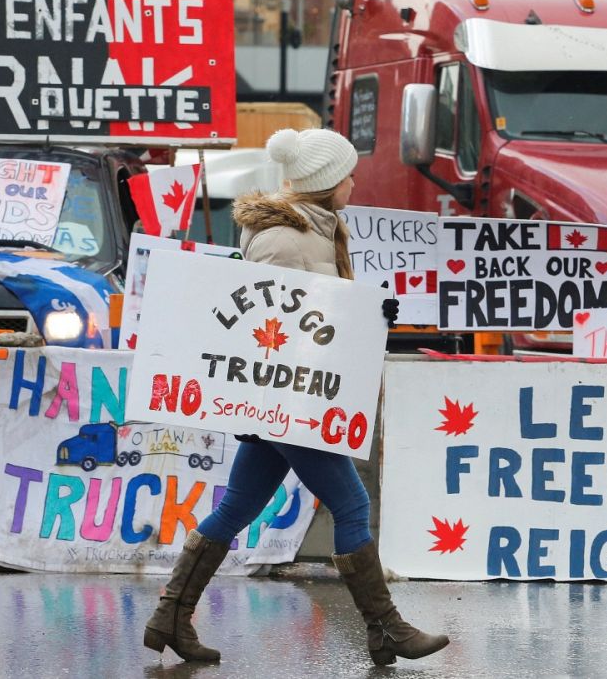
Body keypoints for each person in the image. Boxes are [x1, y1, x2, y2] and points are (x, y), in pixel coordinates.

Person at [143, 127, 448, 667]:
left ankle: (170, 616)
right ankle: (386, 630)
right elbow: (263, 325)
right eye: (348, 173)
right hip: (292, 404)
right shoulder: (286, 240)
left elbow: (317, 319)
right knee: (352, 504)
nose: (355, 181)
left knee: (238, 506)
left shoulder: (317, 232)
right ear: (329, 183)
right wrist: (253, 401)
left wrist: (368, 318)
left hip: (296, 399)